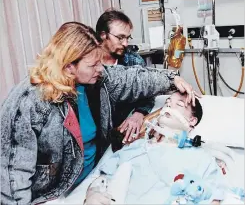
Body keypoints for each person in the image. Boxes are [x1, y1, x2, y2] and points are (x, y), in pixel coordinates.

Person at [0, 22, 198, 205]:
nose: (100, 69)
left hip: (93, 177)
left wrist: (172, 80)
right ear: (69, 66)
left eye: (100, 62)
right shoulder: (28, 102)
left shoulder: (97, 79)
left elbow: (133, 79)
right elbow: (13, 177)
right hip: (52, 194)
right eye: (93, 65)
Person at [98, 92, 225, 205]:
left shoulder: (201, 157)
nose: (169, 106)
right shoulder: (137, 146)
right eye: (167, 103)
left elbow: (214, 196)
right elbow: (102, 179)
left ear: (192, 120)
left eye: (179, 105)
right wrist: (92, 194)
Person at [96, 9, 154, 143]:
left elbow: (148, 93)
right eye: (120, 37)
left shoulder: (134, 61)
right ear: (103, 35)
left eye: (127, 38)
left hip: (123, 134)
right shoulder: (90, 65)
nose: (125, 44)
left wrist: (139, 113)